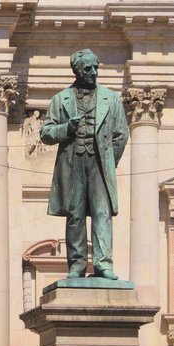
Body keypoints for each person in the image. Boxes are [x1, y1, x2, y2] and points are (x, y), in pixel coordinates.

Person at [41, 49, 129, 279]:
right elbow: (46, 134)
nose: (94, 72)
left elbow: (121, 134)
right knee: (75, 215)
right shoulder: (61, 99)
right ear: (77, 71)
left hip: (99, 163)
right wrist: (66, 129)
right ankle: (77, 264)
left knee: (102, 213)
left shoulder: (112, 98)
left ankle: (103, 264)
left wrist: (110, 160)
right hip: (72, 162)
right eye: (88, 68)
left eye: (96, 67)